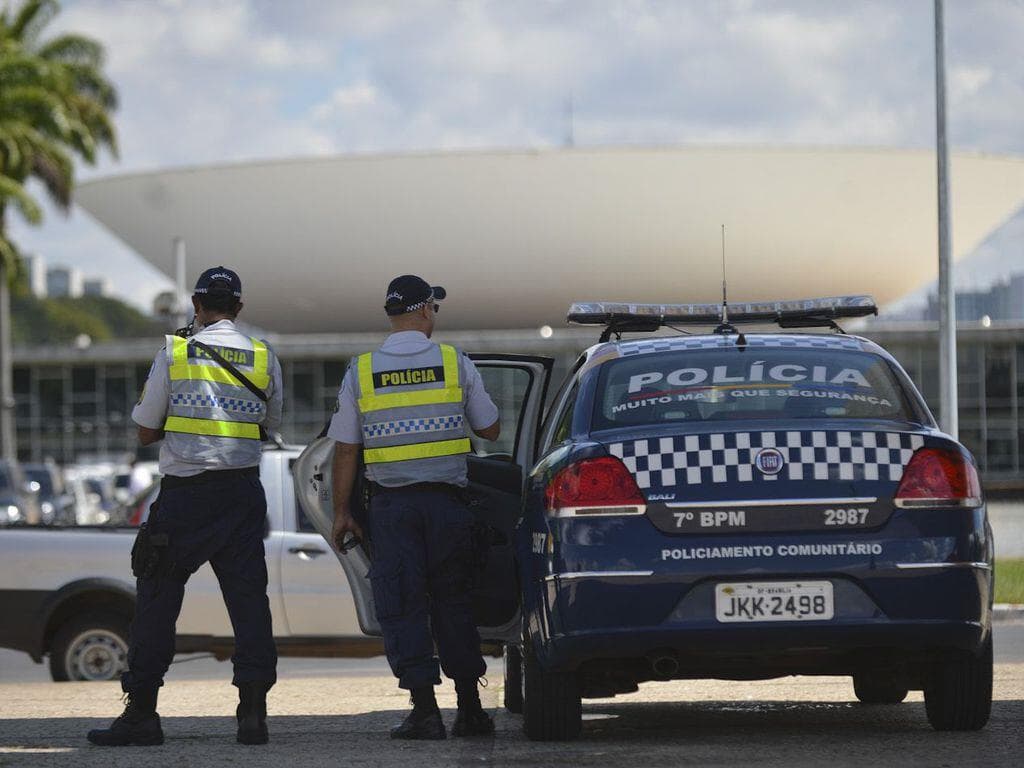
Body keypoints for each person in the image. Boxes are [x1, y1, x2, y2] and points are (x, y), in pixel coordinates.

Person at [87, 266, 283, 747]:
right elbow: (267, 424)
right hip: (241, 494)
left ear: (197, 305)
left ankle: (142, 715)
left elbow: (147, 430)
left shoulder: (175, 352)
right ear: (238, 308)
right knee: (249, 604)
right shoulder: (263, 355)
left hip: (186, 495)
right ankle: (252, 714)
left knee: (156, 600)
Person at [328, 275, 501, 740]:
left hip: (391, 511)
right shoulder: (454, 362)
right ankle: (471, 710)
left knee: (402, 605)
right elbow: (490, 430)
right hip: (448, 507)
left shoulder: (361, 371)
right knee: (454, 603)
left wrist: (341, 512)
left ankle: (424, 711)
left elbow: (345, 450)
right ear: (425, 311)